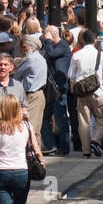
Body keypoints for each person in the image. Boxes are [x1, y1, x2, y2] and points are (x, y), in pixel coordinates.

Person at [67, 29, 103, 158]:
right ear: (95, 41)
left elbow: (70, 75)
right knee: (102, 118)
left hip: (82, 93)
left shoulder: (76, 55)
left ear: (83, 40)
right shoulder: (100, 55)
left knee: (84, 121)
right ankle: (95, 141)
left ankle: (86, 151)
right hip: (98, 92)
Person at [41, 25, 71, 155]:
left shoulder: (62, 46)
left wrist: (47, 41)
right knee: (45, 116)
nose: (43, 37)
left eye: (45, 35)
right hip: (52, 88)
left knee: (60, 119)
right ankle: (51, 145)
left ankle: (64, 147)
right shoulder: (52, 46)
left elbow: (52, 54)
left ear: (51, 34)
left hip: (60, 88)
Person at [13, 34, 48, 140]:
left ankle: (35, 153)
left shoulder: (32, 60)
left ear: (32, 48)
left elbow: (16, 74)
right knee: (33, 127)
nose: (23, 51)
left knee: (31, 127)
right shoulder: (39, 58)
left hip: (33, 96)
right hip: (35, 95)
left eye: (25, 48)